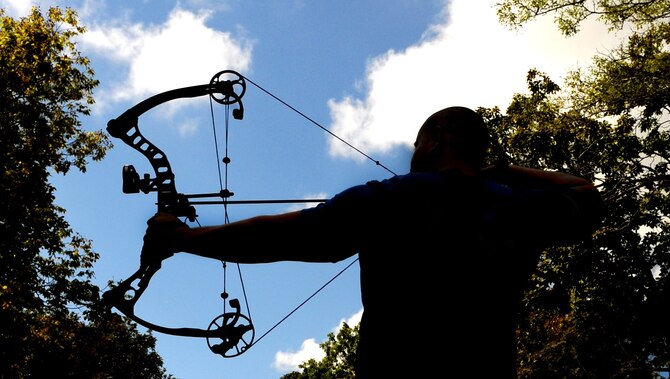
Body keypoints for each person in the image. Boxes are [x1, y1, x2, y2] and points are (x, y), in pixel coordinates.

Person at [142, 106, 603, 378]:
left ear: (438, 138)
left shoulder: (394, 198)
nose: (414, 151)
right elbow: (585, 193)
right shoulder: (521, 208)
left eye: (420, 141)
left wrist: (180, 237)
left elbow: (280, 237)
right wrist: (503, 172)